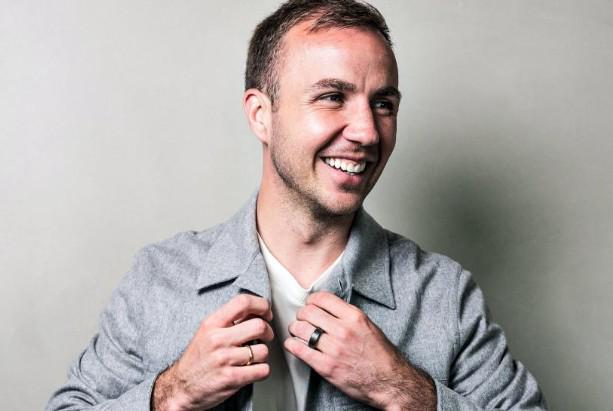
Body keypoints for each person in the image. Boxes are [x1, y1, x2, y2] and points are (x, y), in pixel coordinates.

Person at [46, 0, 547, 410]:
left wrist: (402, 390)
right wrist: (172, 393)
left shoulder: (443, 295)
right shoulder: (159, 280)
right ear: (261, 115)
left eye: (383, 104)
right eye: (332, 97)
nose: (368, 132)